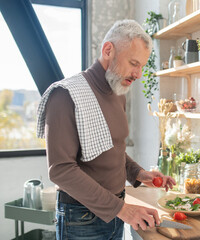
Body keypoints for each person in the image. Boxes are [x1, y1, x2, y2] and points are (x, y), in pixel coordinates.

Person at [37, 19, 176, 239]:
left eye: (142, 66)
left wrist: (139, 173)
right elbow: (60, 170)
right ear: (108, 50)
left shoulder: (117, 91)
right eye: (133, 63)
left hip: (115, 212)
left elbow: (110, 147)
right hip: (81, 219)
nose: (138, 74)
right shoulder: (65, 95)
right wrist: (123, 209)